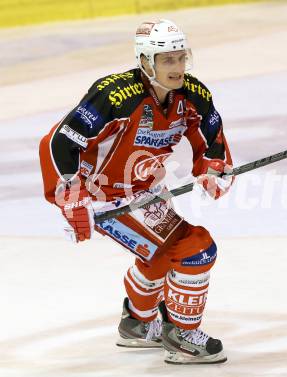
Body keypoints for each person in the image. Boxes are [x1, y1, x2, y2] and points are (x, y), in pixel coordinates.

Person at [39, 19, 234, 365]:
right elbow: (58, 142)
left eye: (180, 57)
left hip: (143, 189)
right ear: (146, 61)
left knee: (162, 254)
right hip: (101, 194)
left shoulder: (193, 96)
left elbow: (211, 138)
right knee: (195, 249)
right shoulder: (114, 96)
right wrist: (71, 198)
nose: (177, 68)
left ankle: (138, 323)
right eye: (167, 60)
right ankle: (182, 335)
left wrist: (214, 167)